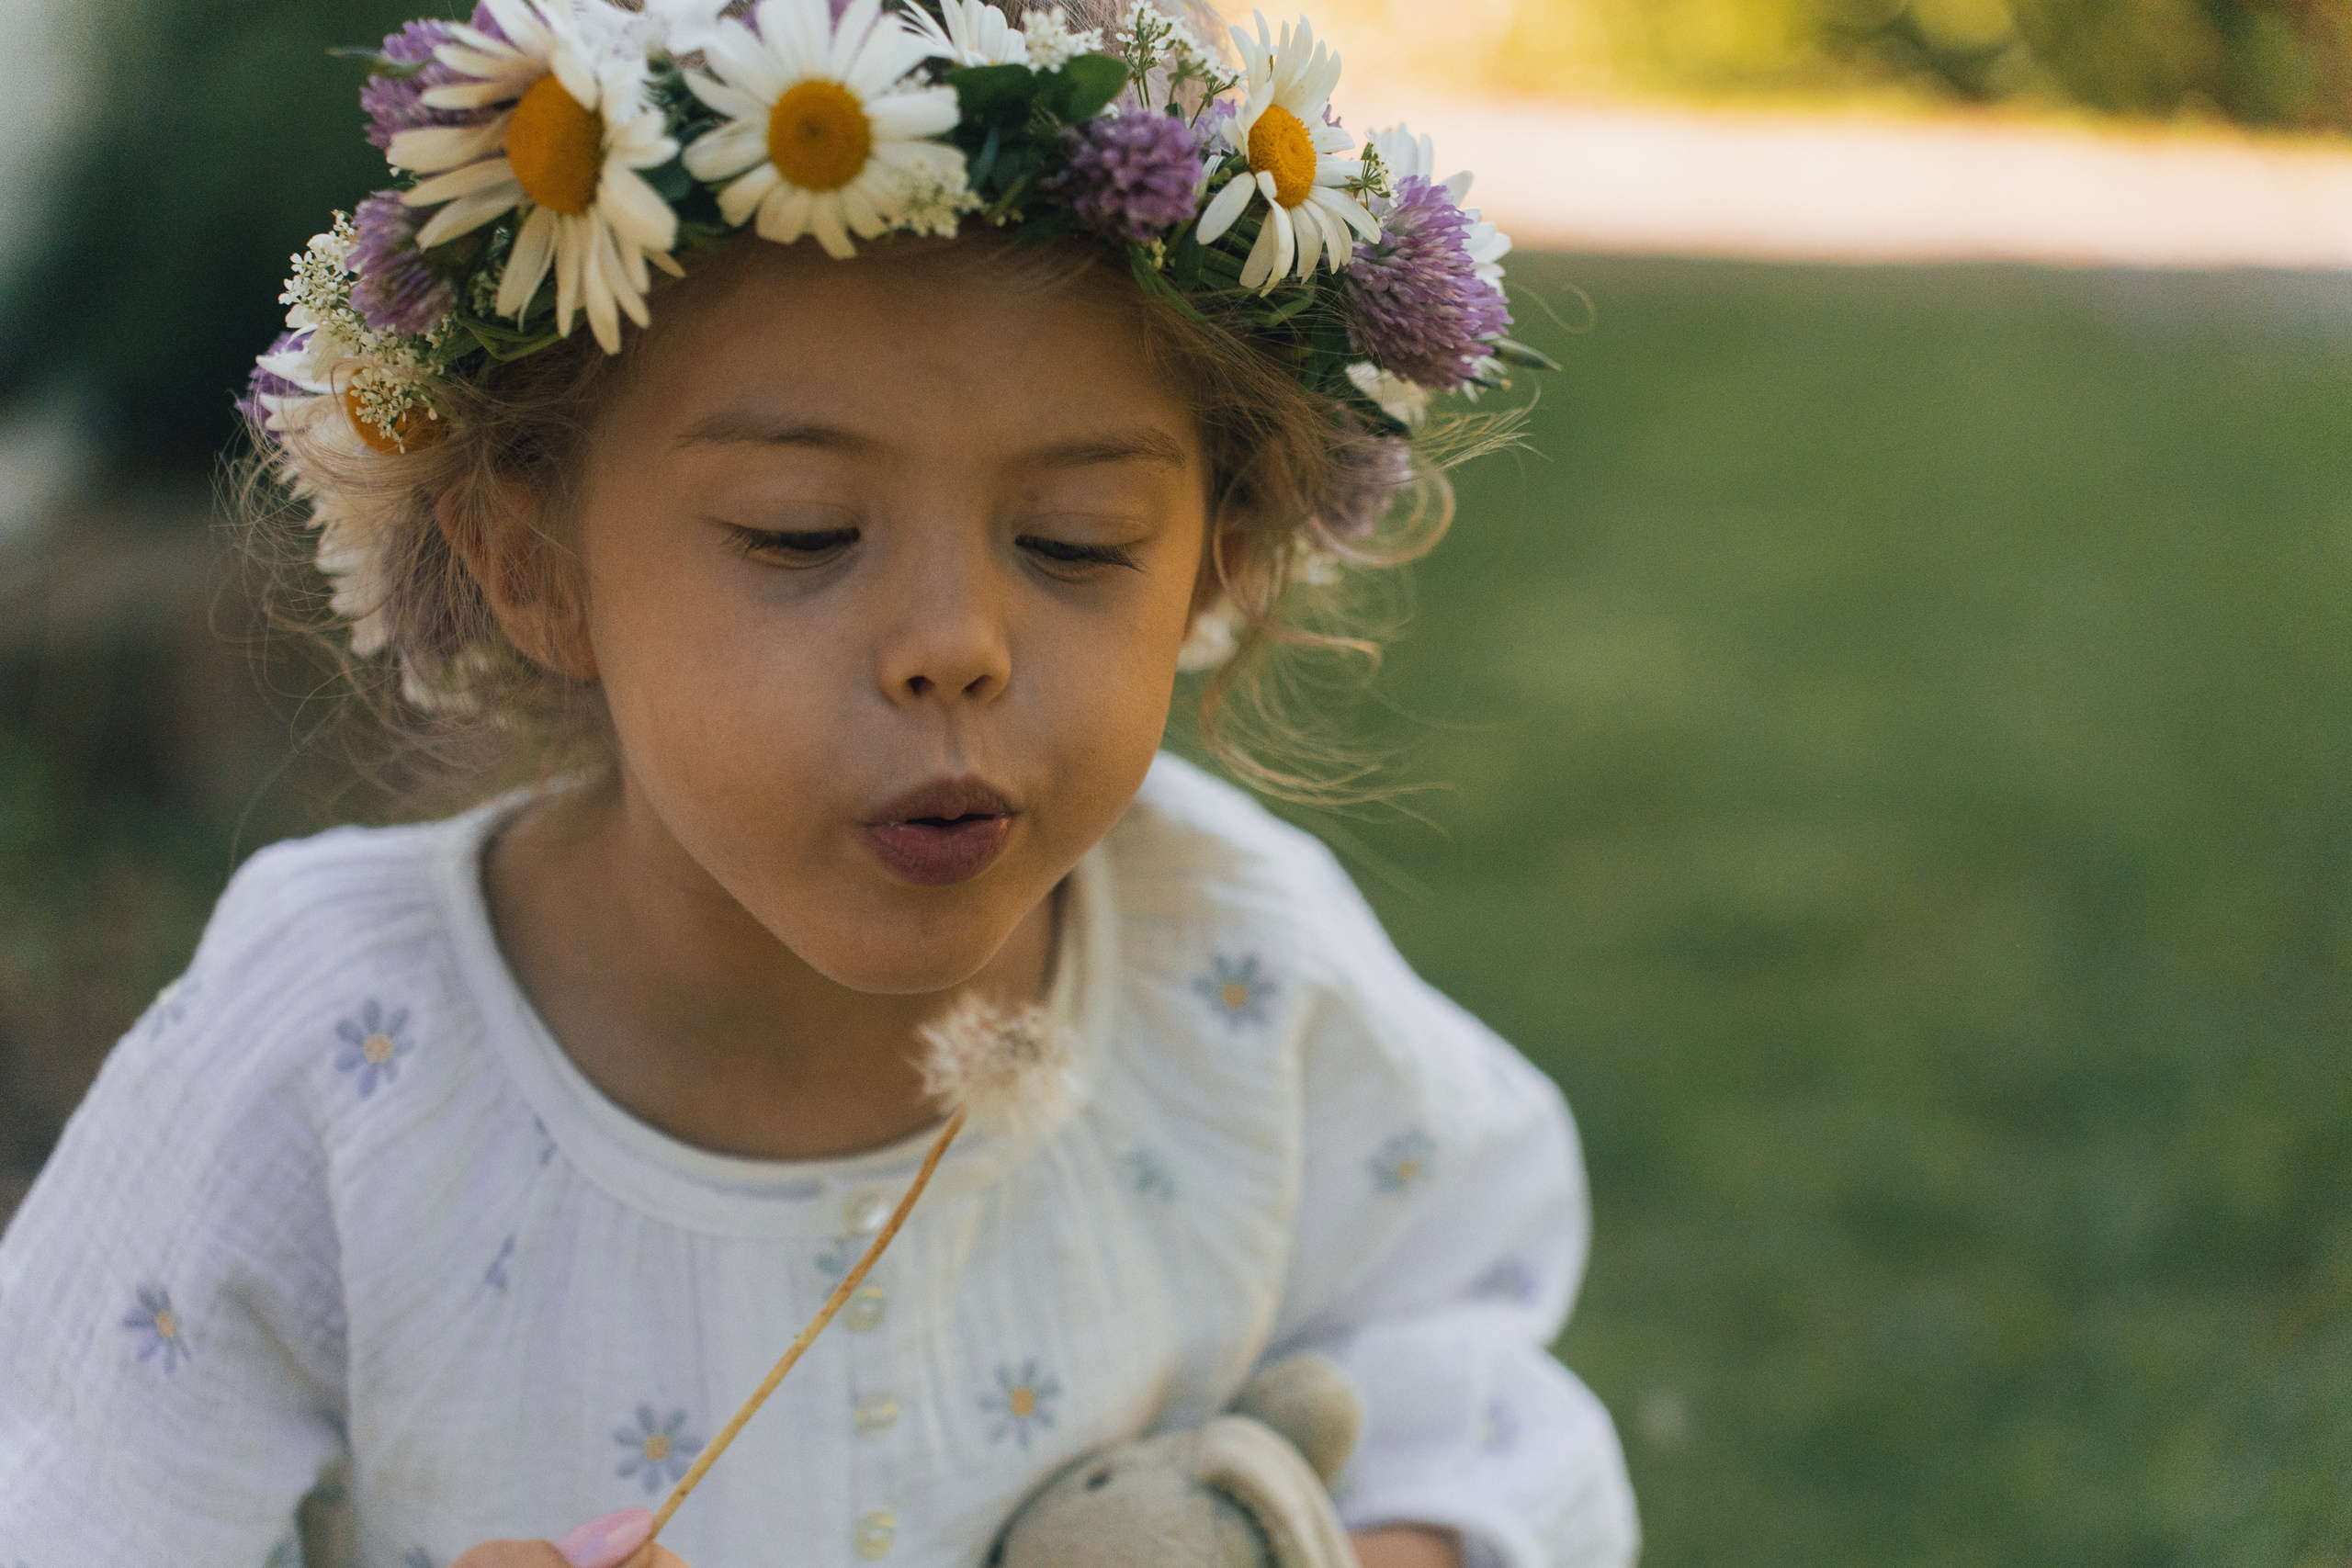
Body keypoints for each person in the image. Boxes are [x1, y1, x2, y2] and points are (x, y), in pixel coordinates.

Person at [0, 1, 1635, 1564]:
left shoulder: (1241, 968)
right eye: (800, 531)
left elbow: (1466, 1366)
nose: (954, 646)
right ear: (533, 561)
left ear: (1219, 563)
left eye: (1077, 545)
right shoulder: (337, 1052)